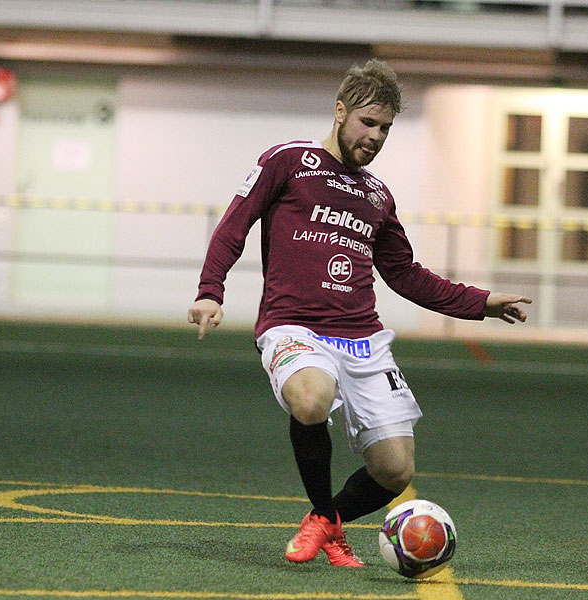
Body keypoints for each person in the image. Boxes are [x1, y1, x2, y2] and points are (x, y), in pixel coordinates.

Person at [187, 59, 531, 568]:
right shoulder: (287, 161)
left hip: (362, 338)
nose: (376, 136)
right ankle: (325, 515)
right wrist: (210, 290)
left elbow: (406, 274)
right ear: (340, 111)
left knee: (395, 469)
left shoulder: (377, 196)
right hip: (293, 325)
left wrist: (479, 303)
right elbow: (234, 224)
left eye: (386, 128)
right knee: (311, 399)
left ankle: (325, 522)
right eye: (368, 123)